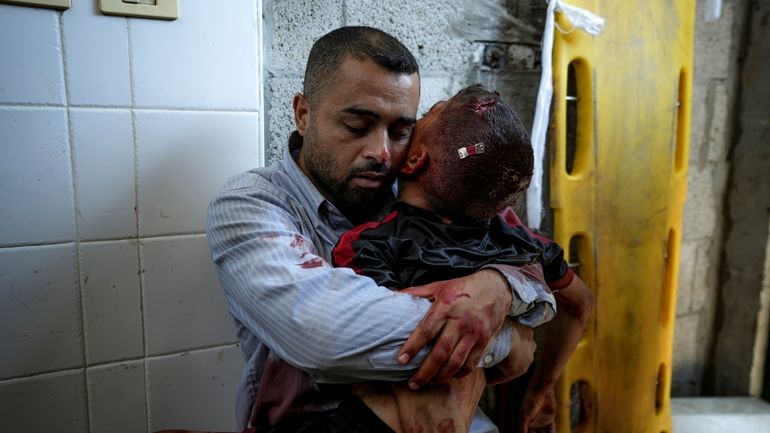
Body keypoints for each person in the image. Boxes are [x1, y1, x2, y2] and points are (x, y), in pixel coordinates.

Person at [207, 26, 551, 433]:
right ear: (303, 113)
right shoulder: (251, 205)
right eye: (357, 126)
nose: (382, 153)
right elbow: (322, 336)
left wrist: (498, 284)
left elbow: (532, 265)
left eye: (401, 131)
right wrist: (503, 338)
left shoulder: (428, 187)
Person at [331, 84, 594, 433]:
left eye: (424, 117)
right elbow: (580, 304)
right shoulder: (522, 246)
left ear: (414, 160)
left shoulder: (368, 245)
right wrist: (541, 387)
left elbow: (366, 335)